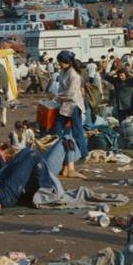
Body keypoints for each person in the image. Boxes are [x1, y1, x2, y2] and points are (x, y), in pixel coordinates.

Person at [53, 50, 87, 178]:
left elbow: (71, 93)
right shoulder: (63, 72)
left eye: (60, 62)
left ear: (66, 62)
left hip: (74, 105)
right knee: (58, 128)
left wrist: (57, 97)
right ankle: (62, 151)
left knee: (77, 131)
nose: (59, 64)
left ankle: (82, 153)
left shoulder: (74, 75)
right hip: (65, 104)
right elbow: (62, 88)